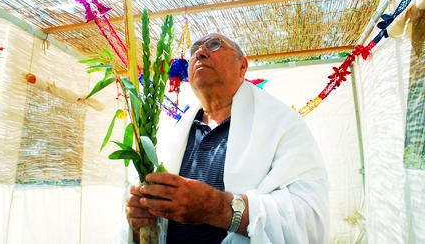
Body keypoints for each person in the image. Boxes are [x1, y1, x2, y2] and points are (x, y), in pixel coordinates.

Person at [113, 33, 329, 243]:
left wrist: (218, 208)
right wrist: (136, 220)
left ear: (242, 66)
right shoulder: (174, 135)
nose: (200, 53)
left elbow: (308, 214)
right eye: (194, 49)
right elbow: (147, 222)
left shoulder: (281, 123)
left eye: (214, 44)